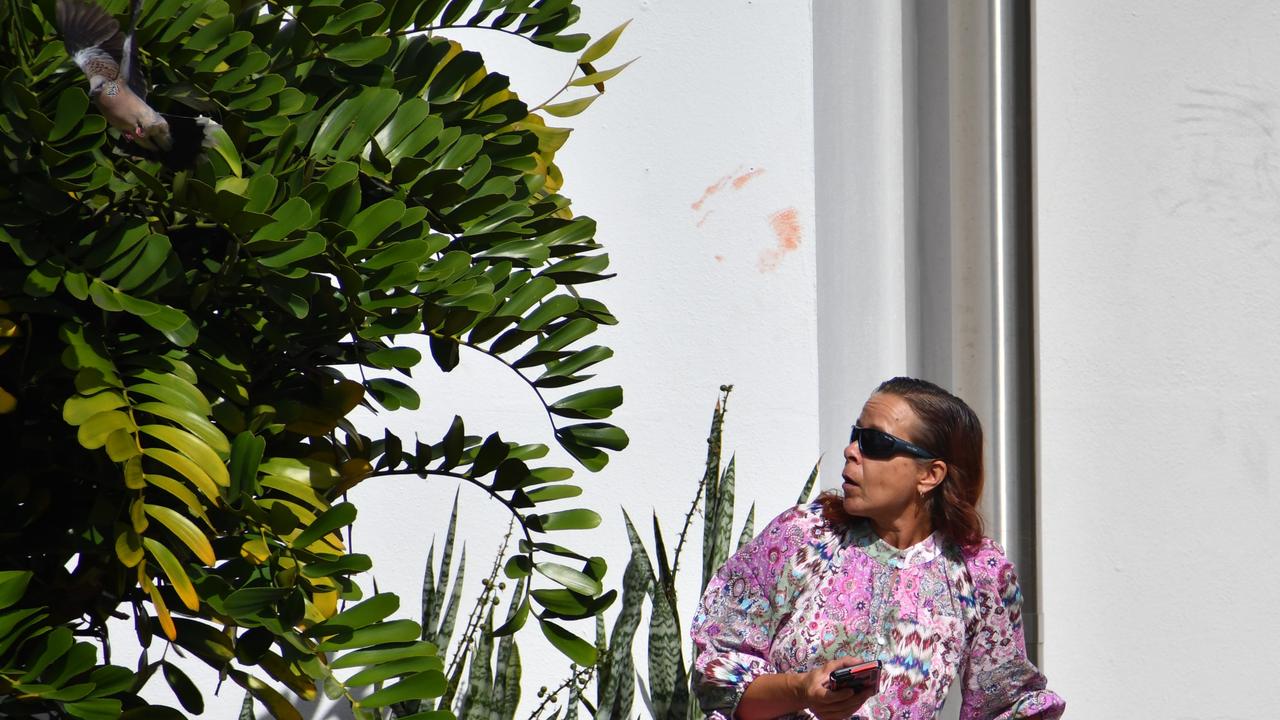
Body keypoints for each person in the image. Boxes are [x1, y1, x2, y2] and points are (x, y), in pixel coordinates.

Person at [690, 377, 1065, 719]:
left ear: (930, 475)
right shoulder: (803, 538)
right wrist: (801, 690)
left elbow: (1006, 704)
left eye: (874, 442)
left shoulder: (978, 574)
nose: (850, 450)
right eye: (856, 435)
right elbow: (717, 674)